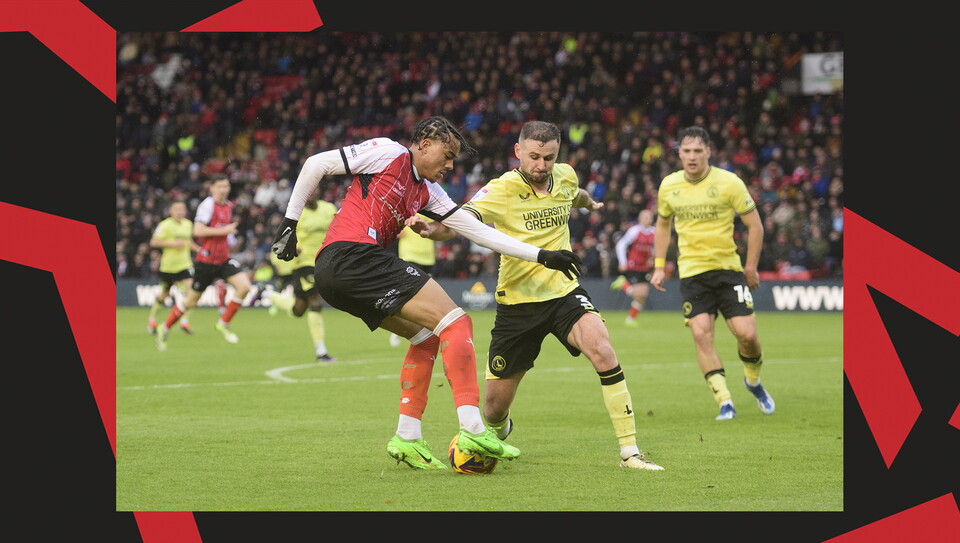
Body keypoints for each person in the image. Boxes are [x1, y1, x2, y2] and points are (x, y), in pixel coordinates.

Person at [270, 115, 582, 470]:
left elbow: (479, 232)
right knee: (457, 322)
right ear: (424, 144)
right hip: (350, 255)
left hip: (339, 275)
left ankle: (407, 436)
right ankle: (472, 427)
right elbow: (316, 163)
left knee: (426, 338)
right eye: (446, 155)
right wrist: (289, 222)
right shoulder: (388, 153)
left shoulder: (430, 193)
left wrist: (542, 255)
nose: (450, 165)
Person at [417, 120, 664, 470]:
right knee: (493, 409)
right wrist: (434, 229)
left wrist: (589, 203)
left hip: (564, 292)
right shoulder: (501, 188)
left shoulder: (565, 175)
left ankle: (630, 452)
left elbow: (572, 194)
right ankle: (500, 430)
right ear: (518, 151)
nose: (541, 165)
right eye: (533, 157)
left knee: (603, 349)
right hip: (517, 305)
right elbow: (464, 219)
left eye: (548, 158)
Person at [649, 126, 775, 421]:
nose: (691, 157)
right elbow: (663, 225)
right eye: (686, 151)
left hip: (728, 270)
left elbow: (755, 226)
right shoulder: (669, 186)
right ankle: (725, 400)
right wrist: (658, 266)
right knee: (701, 334)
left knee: (747, 335)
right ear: (679, 153)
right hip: (692, 273)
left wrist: (751, 266)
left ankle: (753, 381)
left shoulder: (729, 183)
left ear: (708, 152)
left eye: (697, 151)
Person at [156, 176, 253, 350]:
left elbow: (224, 233)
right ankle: (165, 327)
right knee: (191, 301)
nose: (223, 189)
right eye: (220, 186)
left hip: (223, 258)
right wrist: (224, 230)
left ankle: (223, 323)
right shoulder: (207, 205)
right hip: (206, 261)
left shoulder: (229, 206)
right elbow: (198, 230)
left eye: (226, 186)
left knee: (244, 286)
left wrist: (231, 239)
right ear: (212, 188)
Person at [267, 188, 337, 361]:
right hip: (303, 262)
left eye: (313, 191)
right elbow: (282, 238)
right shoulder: (296, 213)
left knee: (299, 309)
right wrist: (291, 246)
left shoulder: (328, 209)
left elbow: (339, 227)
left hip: (324, 260)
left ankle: (273, 297)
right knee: (315, 301)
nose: (310, 194)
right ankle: (321, 351)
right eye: (308, 191)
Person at [147, 199, 200, 335]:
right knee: (164, 294)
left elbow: (188, 242)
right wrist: (172, 244)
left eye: (182, 209)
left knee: (192, 293)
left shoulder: (188, 224)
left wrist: (201, 250)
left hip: (185, 265)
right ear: (171, 211)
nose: (179, 211)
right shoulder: (165, 225)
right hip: (168, 267)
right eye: (177, 209)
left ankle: (184, 322)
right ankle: (152, 319)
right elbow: (153, 242)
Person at [388, 217, 437, 348]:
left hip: (428, 257)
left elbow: (437, 228)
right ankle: (399, 329)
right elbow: (397, 232)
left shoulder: (428, 206)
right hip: (409, 255)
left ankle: (425, 327)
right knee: (408, 294)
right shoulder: (406, 209)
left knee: (427, 297)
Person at [610, 208, 656, 326]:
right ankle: (622, 284)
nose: (647, 219)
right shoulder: (634, 231)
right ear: (640, 218)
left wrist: (653, 258)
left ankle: (630, 319)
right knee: (638, 294)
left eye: (649, 217)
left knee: (643, 296)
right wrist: (623, 261)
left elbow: (654, 248)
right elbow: (621, 245)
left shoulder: (654, 232)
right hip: (633, 265)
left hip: (645, 266)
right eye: (645, 217)